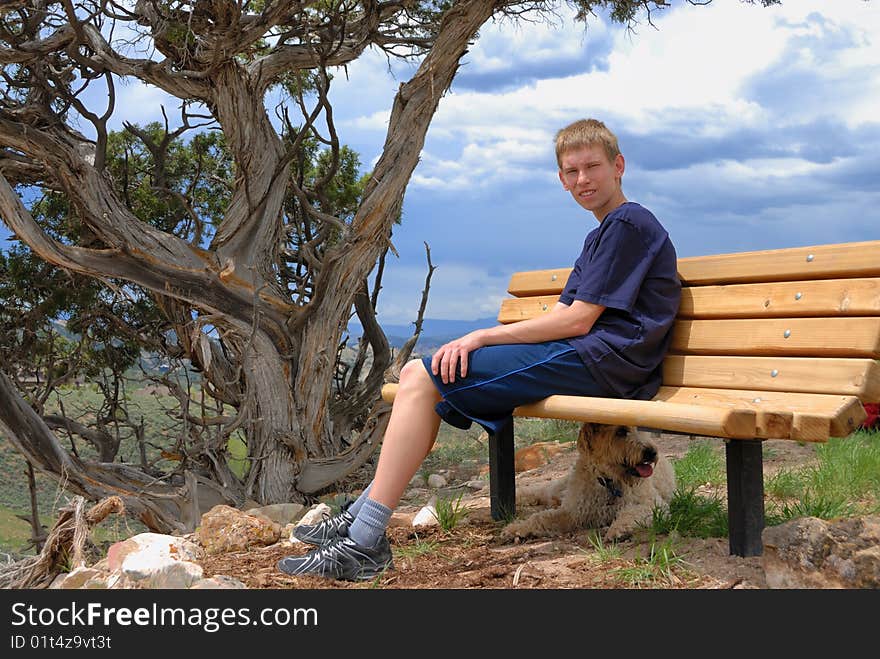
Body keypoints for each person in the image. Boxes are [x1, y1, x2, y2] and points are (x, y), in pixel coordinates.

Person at [277, 118, 682, 581]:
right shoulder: (601, 234)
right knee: (418, 377)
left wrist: (481, 337)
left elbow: (577, 319)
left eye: (592, 167)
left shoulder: (629, 223)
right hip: (592, 357)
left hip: (609, 364)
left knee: (427, 377)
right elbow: (567, 313)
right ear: (561, 178)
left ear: (619, 166)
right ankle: (363, 522)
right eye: (571, 171)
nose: (582, 180)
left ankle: (364, 538)